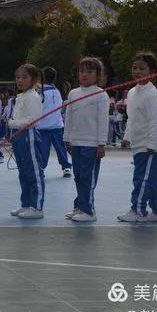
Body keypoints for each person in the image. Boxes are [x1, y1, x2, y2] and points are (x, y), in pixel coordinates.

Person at [118, 52, 157, 222]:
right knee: (151, 180)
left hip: (149, 147)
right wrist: (126, 136)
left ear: (153, 72)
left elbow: (155, 122)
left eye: (142, 68)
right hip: (137, 143)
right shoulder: (133, 92)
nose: (137, 71)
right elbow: (132, 118)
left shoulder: (152, 95)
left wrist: (152, 145)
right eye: (135, 68)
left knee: (141, 179)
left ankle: (138, 210)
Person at [63, 58, 110, 223]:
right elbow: (68, 117)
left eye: (89, 72)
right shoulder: (73, 93)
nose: (85, 74)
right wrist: (67, 138)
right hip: (76, 142)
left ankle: (89, 211)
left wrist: (101, 143)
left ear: (98, 75)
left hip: (91, 144)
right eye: (82, 71)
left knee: (87, 177)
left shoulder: (101, 94)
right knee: (78, 176)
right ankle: (80, 205)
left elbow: (104, 120)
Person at [8, 64, 46, 219]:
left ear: (33, 79)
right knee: (23, 172)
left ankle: (37, 207)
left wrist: (13, 123)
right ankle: (26, 204)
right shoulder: (20, 96)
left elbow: (33, 120)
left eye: (24, 77)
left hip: (28, 136)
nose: (20, 80)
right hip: (18, 137)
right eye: (18, 77)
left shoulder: (33, 96)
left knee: (34, 171)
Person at [37, 67, 72, 178]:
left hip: (43, 127)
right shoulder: (57, 92)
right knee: (61, 149)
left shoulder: (40, 93)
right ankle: (66, 167)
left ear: (43, 78)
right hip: (56, 126)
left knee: (43, 150)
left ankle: (41, 169)